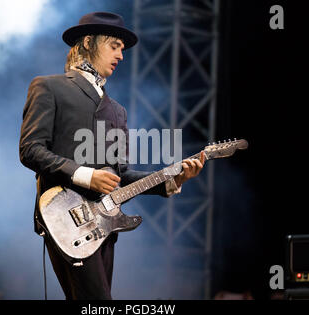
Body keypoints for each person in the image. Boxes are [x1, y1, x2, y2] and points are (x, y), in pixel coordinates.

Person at [19, 11, 205, 300]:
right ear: (87, 43)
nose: (121, 55)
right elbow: (31, 149)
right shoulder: (49, 86)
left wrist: (172, 178)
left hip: (104, 224)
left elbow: (122, 175)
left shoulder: (118, 111)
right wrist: (87, 176)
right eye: (114, 45)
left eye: (123, 48)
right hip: (65, 216)